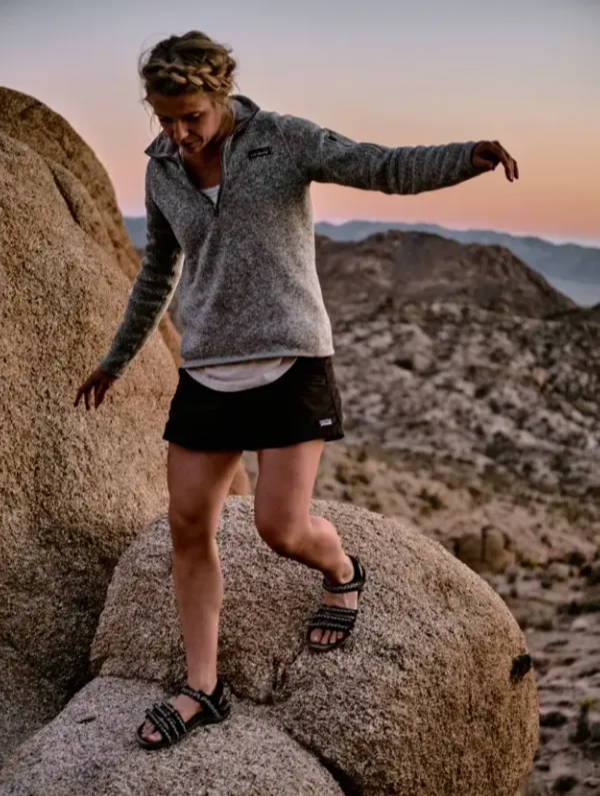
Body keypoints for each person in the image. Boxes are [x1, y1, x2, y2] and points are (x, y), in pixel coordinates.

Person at [74, 30, 519, 750]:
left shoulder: (283, 140)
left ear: (221, 95)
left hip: (289, 362)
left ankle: (342, 569)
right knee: (188, 525)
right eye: (165, 119)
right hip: (209, 367)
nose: (179, 133)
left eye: (191, 116)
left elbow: (379, 166)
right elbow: (160, 269)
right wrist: (118, 357)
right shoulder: (162, 167)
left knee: (281, 528)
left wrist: (466, 158)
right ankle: (203, 686)